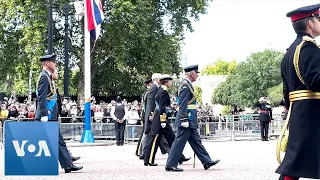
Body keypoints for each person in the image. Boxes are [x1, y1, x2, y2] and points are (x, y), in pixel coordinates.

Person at [276, 4, 320, 180]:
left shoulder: (290, 51)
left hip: (300, 112)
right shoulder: (308, 48)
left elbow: (286, 90)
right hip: (312, 113)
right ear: (310, 23)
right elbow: (316, 82)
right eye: (319, 18)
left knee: (294, 164)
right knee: (293, 165)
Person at [165, 65, 220, 172]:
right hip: (187, 119)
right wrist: (183, 119)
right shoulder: (185, 86)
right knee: (179, 142)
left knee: (196, 141)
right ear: (192, 73)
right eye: (196, 73)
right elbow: (183, 104)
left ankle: (206, 161)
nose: (197, 75)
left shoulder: (187, 85)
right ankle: (170, 164)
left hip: (190, 118)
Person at [35, 54, 83, 173]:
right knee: (46, 140)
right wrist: (44, 114)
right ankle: (66, 164)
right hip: (47, 115)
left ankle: (67, 164)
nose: (55, 63)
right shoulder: (44, 77)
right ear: (47, 63)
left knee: (58, 139)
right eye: (53, 62)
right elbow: (41, 97)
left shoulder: (48, 77)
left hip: (51, 114)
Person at [143, 74, 190, 166]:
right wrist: (163, 120)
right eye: (170, 81)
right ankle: (148, 160)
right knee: (155, 140)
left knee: (171, 138)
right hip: (160, 119)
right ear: (166, 82)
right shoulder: (163, 91)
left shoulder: (161, 90)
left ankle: (179, 157)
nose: (171, 83)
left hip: (160, 117)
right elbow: (162, 107)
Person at [52, 68, 81, 163]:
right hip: (49, 118)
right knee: (56, 140)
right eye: (56, 72)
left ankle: (67, 159)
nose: (58, 74)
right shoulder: (47, 84)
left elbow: (58, 103)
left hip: (54, 117)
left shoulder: (54, 87)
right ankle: (67, 159)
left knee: (59, 140)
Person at [136, 78, 152, 158]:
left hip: (146, 114)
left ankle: (141, 152)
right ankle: (140, 152)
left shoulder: (147, 92)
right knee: (145, 134)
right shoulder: (148, 92)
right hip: (146, 115)